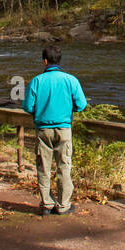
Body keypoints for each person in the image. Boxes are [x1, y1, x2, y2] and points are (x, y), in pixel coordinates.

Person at [21, 44, 87, 216]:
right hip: (64, 128)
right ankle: (64, 205)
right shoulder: (71, 80)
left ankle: (47, 204)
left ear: (44, 61)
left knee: (43, 167)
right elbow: (81, 105)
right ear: (60, 60)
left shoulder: (36, 81)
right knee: (64, 166)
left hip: (43, 129)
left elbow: (28, 106)